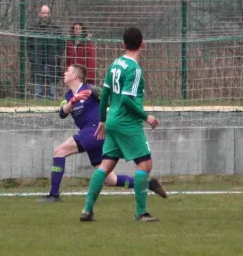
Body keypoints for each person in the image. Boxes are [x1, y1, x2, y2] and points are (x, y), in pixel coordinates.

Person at [37, 63, 167, 203]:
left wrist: (134, 118)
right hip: (92, 135)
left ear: (75, 75)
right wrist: (74, 100)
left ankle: (53, 194)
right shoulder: (68, 95)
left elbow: (114, 102)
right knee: (110, 180)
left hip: (95, 130)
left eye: (67, 71)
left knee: (59, 151)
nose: (64, 73)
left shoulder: (91, 89)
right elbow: (62, 113)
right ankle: (148, 185)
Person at [80, 27, 161, 222]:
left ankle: (87, 210)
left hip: (113, 120)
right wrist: (146, 117)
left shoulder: (115, 64)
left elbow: (105, 94)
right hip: (127, 123)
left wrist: (102, 120)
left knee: (106, 165)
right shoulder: (134, 69)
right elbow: (126, 100)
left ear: (123, 44)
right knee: (145, 164)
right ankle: (141, 213)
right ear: (142, 44)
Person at [27, 5, 65, 99]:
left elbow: (62, 44)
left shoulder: (56, 29)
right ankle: (38, 100)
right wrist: (32, 57)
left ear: (50, 14)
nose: (45, 15)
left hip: (52, 60)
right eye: (43, 13)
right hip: (38, 60)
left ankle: (53, 99)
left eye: (47, 13)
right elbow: (28, 44)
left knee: (52, 82)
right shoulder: (34, 29)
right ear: (40, 14)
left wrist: (57, 56)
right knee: (38, 82)